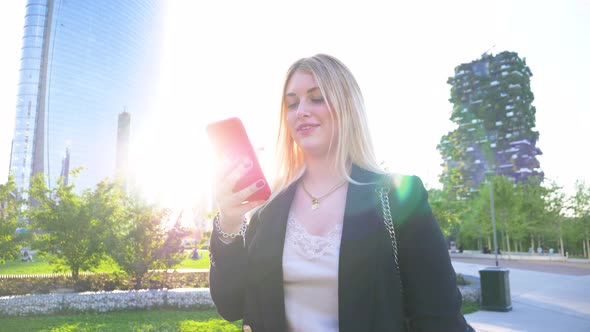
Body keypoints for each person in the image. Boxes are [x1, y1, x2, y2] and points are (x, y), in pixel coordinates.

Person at [209, 54, 471, 331]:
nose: (301, 112)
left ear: (347, 107)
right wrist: (229, 221)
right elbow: (231, 304)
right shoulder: (268, 209)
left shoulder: (398, 198)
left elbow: (439, 317)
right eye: (292, 103)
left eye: (317, 97)